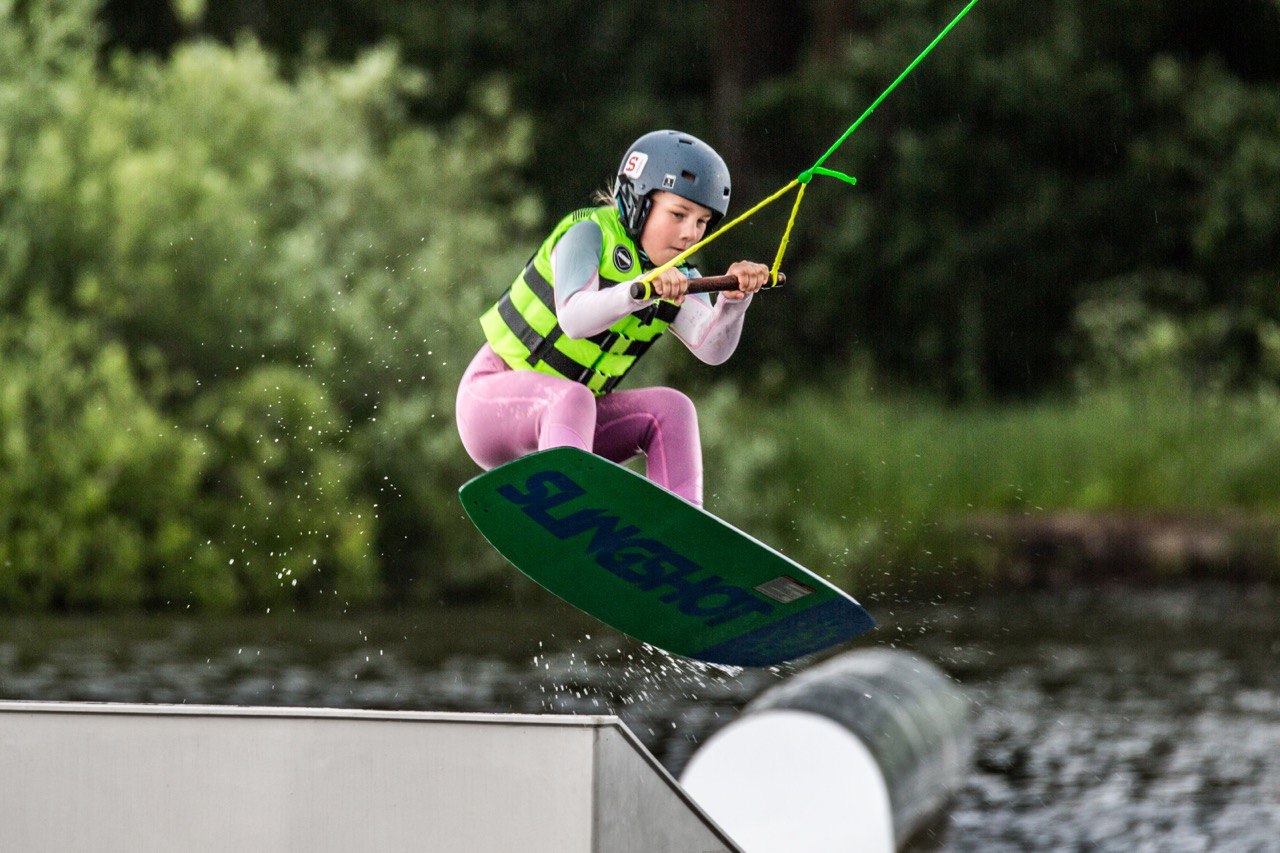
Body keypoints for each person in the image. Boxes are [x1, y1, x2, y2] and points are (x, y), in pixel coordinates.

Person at [455, 129, 769, 506]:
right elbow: (574, 319)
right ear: (638, 203)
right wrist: (637, 291)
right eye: (678, 214)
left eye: (702, 222)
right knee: (574, 399)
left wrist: (734, 302)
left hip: (575, 428)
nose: (691, 234)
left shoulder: (681, 275)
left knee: (673, 410)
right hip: (491, 407)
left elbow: (711, 349)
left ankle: (680, 523)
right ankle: (571, 510)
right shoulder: (588, 233)